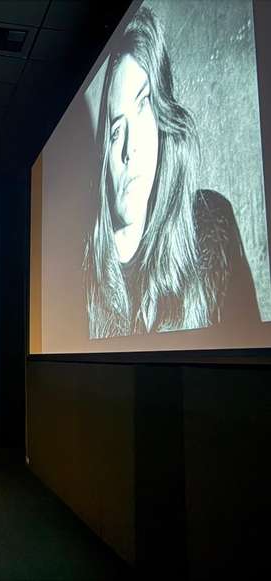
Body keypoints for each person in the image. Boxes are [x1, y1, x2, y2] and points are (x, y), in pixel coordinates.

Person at [83, 6, 259, 339]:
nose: (129, 148)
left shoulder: (211, 225)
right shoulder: (85, 265)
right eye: (116, 130)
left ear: (163, 118)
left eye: (143, 105)